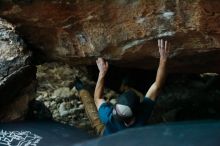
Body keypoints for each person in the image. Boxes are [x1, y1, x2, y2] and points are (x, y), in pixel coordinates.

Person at [94, 39, 169, 136]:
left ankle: (80, 87)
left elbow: (97, 98)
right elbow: (157, 86)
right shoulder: (142, 116)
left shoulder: (109, 118)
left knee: (97, 124)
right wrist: (163, 59)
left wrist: (102, 73)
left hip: (106, 138)